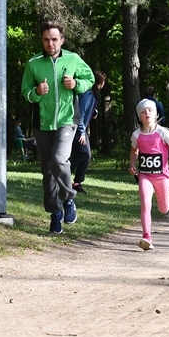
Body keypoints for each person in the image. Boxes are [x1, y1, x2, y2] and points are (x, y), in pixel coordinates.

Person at [20, 21, 96, 234]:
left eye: (54, 39)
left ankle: (69, 199)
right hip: (42, 124)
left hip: (67, 120)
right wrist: (36, 91)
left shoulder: (73, 59)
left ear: (62, 40)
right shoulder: (33, 63)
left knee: (58, 160)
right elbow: (25, 91)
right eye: (46, 40)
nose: (50, 44)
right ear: (42, 41)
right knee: (48, 171)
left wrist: (76, 85)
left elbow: (88, 79)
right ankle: (55, 214)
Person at [128, 99, 169, 250]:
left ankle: (161, 210)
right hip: (145, 175)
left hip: (162, 176)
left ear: (156, 114)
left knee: (164, 209)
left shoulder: (162, 132)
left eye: (150, 110)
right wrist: (132, 164)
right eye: (143, 112)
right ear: (140, 117)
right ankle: (147, 236)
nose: (147, 113)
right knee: (145, 202)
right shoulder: (136, 135)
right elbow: (134, 151)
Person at [70, 70, 107, 195]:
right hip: (77, 128)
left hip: (81, 128)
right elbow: (80, 113)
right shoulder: (89, 94)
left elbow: (87, 110)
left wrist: (94, 112)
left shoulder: (93, 95)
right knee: (84, 153)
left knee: (86, 155)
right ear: (101, 82)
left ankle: (77, 183)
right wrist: (81, 132)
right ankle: (62, 172)